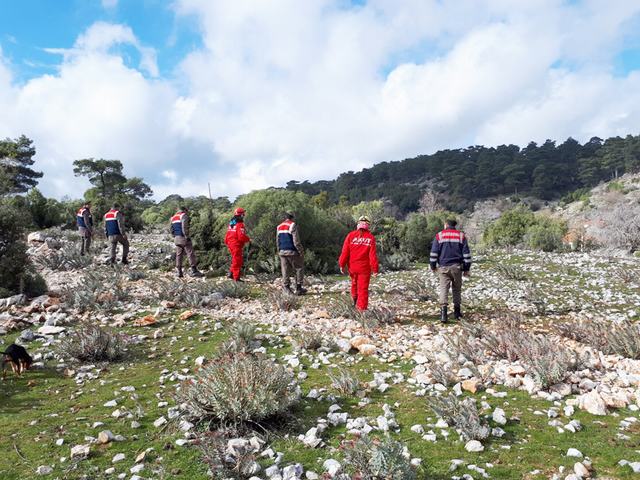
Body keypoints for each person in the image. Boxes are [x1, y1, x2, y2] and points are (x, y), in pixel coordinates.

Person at [430, 218, 472, 323]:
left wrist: (433, 266)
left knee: (444, 289)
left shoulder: (439, 236)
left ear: (446, 225)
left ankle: (443, 315)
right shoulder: (461, 236)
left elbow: (434, 252)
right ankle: (457, 313)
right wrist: (466, 268)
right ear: (454, 225)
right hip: (457, 267)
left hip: (443, 267)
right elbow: (466, 254)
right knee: (456, 289)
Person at [338, 216, 379, 311]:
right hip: (364, 269)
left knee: (354, 283)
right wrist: (375, 269)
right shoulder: (370, 238)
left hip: (352, 267)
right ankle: (361, 309)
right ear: (368, 225)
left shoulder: (350, 235)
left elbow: (345, 252)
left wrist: (342, 264)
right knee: (363, 289)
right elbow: (372, 255)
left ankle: (354, 301)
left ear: (358, 224)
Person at [276, 212, 307, 295]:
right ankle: (299, 288)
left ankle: (286, 288)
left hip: (282, 251)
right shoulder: (292, 225)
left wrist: (279, 251)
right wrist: (301, 251)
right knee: (299, 268)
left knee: (285, 270)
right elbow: (296, 241)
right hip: (292, 251)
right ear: (292, 217)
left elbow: (278, 241)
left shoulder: (279, 226)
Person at [170, 206, 203, 278]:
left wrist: (174, 236)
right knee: (190, 253)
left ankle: (179, 272)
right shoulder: (183, 216)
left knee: (179, 255)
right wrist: (186, 236)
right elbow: (184, 227)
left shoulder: (173, 218)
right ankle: (194, 271)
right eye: (187, 211)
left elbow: (171, 229)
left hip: (176, 238)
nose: (187, 212)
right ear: (184, 210)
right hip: (183, 237)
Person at [224, 207, 251, 281]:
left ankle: (231, 274)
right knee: (237, 260)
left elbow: (228, 234)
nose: (244, 215)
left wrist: (227, 242)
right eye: (243, 213)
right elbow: (241, 236)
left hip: (230, 243)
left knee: (234, 259)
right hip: (236, 245)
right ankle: (236, 278)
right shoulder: (240, 224)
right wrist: (248, 239)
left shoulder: (232, 223)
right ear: (241, 215)